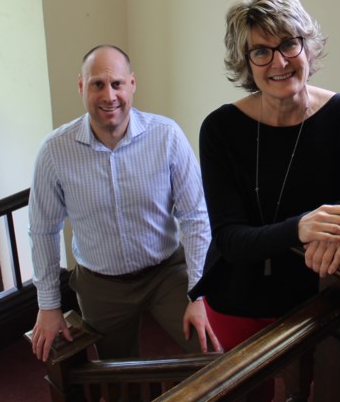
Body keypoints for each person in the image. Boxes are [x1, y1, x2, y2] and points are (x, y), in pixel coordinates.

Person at [189, 0, 340, 398]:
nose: (278, 61)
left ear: (308, 49)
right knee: (246, 394)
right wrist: (303, 226)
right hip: (237, 299)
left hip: (317, 301)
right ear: (246, 64)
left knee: (317, 387)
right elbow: (230, 239)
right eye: (261, 51)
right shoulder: (220, 130)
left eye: (289, 45)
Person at [29, 44, 221, 362]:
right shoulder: (53, 152)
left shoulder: (167, 136)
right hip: (101, 285)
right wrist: (48, 305)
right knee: (118, 382)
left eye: (116, 84)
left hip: (167, 274)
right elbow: (42, 230)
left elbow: (196, 215)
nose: (109, 96)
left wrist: (199, 292)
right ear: (81, 86)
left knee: (214, 351)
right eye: (97, 84)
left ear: (132, 84)